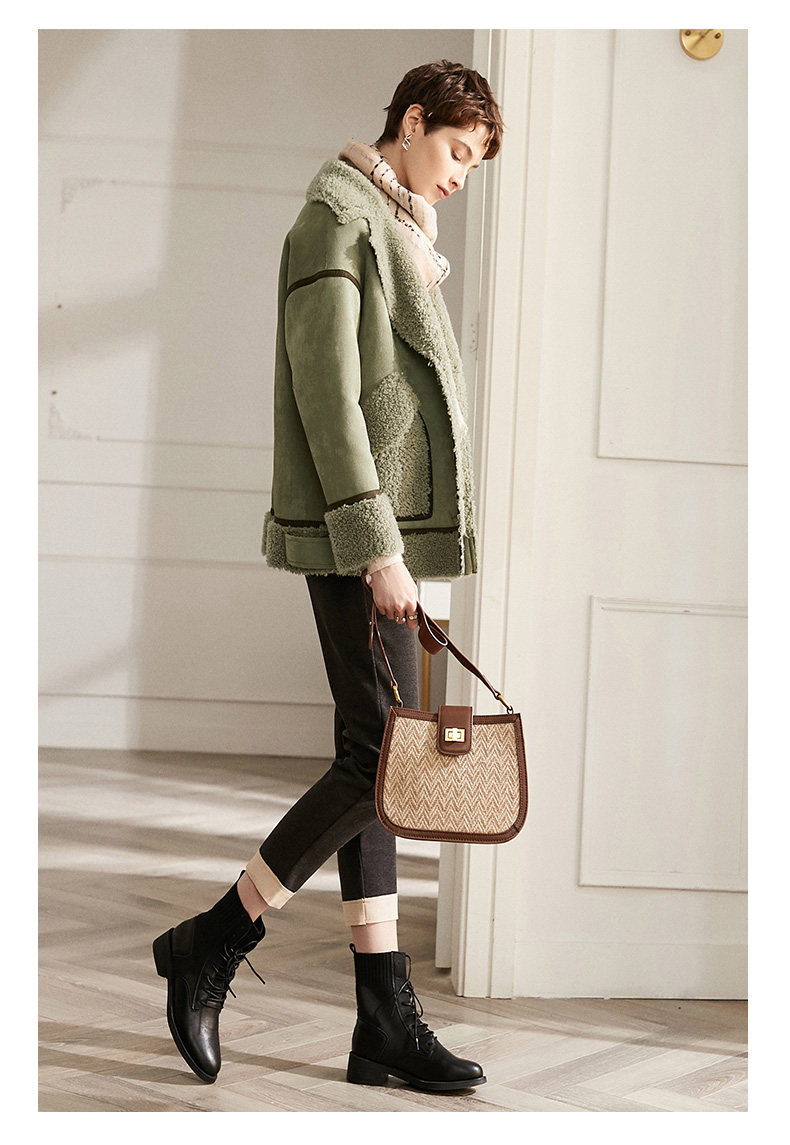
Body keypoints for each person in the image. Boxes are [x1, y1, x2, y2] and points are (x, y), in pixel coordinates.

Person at [153, 59, 504, 1094]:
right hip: (362, 533)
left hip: (389, 534)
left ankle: (380, 1016)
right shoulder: (335, 224)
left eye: (475, 163)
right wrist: (378, 546)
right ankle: (213, 937)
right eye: (455, 150)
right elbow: (326, 396)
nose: (459, 175)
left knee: (383, 764)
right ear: (411, 122)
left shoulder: (395, 228)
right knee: (377, 757)